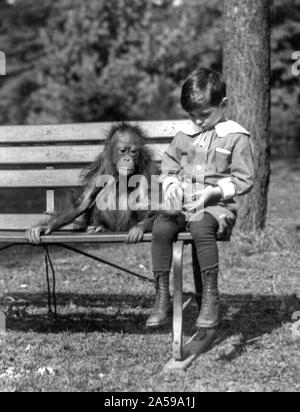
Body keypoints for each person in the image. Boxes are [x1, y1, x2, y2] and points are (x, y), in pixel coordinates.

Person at [146, 67, 254, 329]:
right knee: (161, 227)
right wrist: (171, 183)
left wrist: (215, 192)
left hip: (217, 207)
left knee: (200, 225)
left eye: (204, 115)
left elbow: (245, 179)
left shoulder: (236, 137)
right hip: (184, 205)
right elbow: (169, 166)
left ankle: (209, 298)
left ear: (223, 104)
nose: (198, 121)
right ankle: (162, 296)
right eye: (192, 116)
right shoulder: (185, 136)